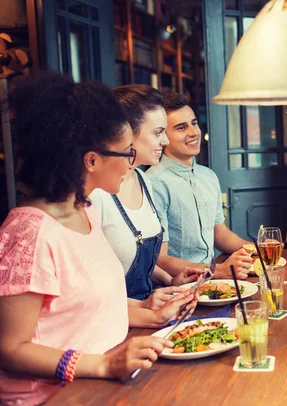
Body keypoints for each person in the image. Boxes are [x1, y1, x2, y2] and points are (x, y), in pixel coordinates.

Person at [0, 73, 182, 406]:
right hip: (52, 396)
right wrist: (102, 364)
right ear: (92, 160)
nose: (132, 162)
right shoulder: (29, 233)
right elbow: (10, 349)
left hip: (104, 383)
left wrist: (147, 311)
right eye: (127, 152)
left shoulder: (86, 212)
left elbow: (79, 308)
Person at [89, 85, 204, 326]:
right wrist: (143, 308)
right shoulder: (96, 195)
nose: (165, 140)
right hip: (115, 321)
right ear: (128, 133)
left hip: (150, 309)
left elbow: (133, 257)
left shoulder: (144, 180)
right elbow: (88, 290)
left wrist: (170, 281)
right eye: (158, 132)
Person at [146, 93, 253, 279]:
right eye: (181, 127)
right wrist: (219, 271)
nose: (194, 132)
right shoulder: (154, 183)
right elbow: (159, 259)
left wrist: (258, 249)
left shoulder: (208, 176)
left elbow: (220, 234)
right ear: (163, 135)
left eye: (194, 123)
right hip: (180, 287)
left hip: (214, 280)